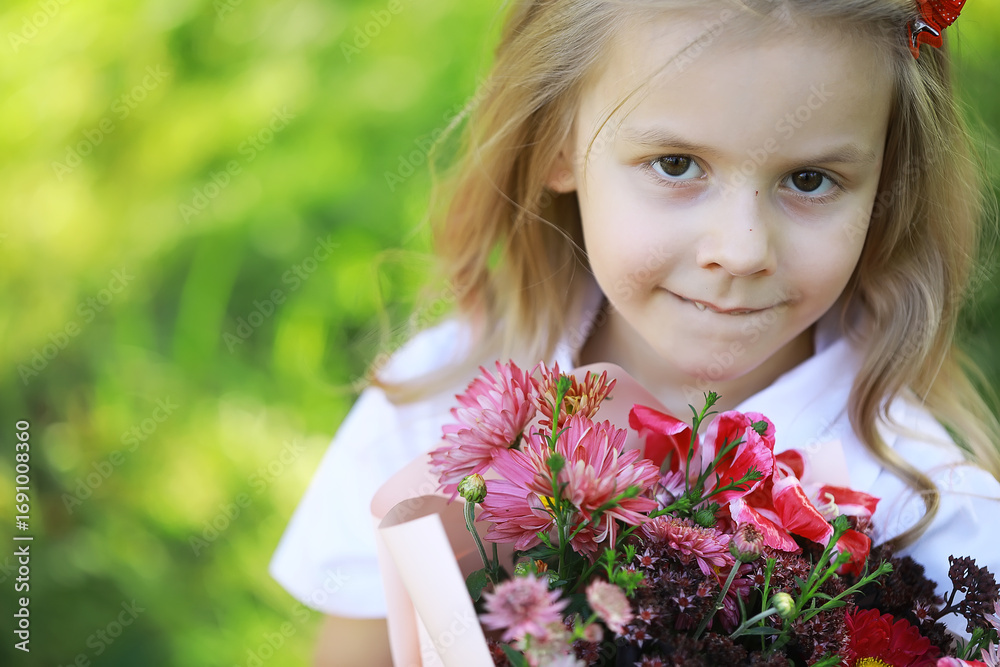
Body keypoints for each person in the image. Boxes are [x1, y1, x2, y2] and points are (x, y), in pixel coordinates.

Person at [270, 1, 1000, 664]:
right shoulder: (441, 402)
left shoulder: (927, 513)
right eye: (676, 165)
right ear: (558, 142)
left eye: (809, 179)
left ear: (886, 181)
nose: (742, 248)